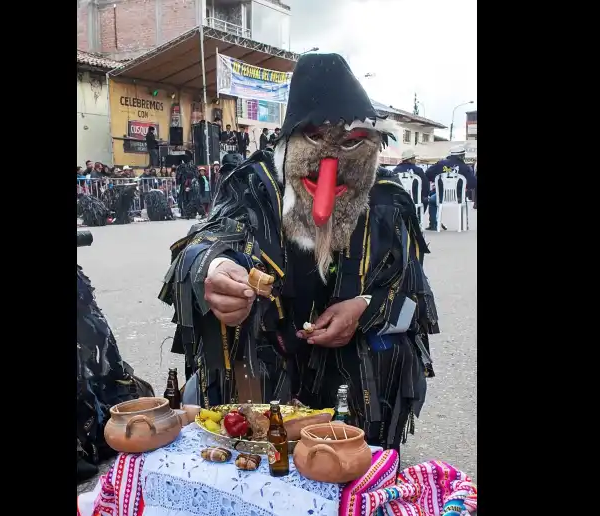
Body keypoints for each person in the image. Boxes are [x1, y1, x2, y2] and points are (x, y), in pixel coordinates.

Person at [160, 53, 438, 453]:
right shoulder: (254, 186)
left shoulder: (387, 202)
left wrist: (364, 306)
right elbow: (206, 241)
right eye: (313, 139)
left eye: (351, 145)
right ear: (289, 141)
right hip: (272, 358)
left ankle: (362, 453)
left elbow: (414, 295)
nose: (331, 168)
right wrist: (216, 269)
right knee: (229, 337)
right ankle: (249, 447)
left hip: (352, 370)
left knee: (393, 341)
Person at [424, 146, 477, 231]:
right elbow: (473, 183)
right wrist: (466, 187)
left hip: (440, 197)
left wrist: (436, 180)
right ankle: (464, 224)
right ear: (461, 156)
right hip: (459, 197)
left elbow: (427, 174)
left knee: (432, 201)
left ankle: (433, 224)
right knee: (465, 202)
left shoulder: (440, 164)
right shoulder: (465, 167)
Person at [394, 149, 430, 224]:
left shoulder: (395, 170)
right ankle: (418, 218)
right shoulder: (418, 170)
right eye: (414, 159)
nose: (415, 160)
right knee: (425, 200)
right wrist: (424, 195)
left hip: (399, 199)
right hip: (416, 199)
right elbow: (426, 186)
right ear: (410, 160)